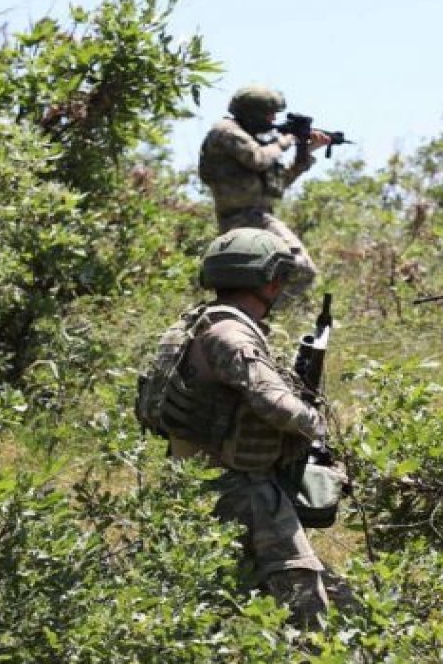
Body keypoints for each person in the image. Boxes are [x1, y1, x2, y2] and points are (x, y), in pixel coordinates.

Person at [152, 228, 331, 626]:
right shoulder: (231, 333)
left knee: (222, 600)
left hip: (195, 482)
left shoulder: (197, 323)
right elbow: (273, 402)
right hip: (242, 489)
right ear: (269, 280)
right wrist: (317, 426)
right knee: (305, 602)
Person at [198, 86, 331, 297]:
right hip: (245, 217)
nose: (272, 121)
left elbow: (277, 185)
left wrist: (306, 152)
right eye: (270, 115)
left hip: (254, 216)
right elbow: (258, 159)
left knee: (262, 279)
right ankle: (268, 315)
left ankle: (260, 316)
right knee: (300, 269)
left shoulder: (254, 140)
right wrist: (286, 140)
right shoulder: (226, 131)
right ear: (253, 112)